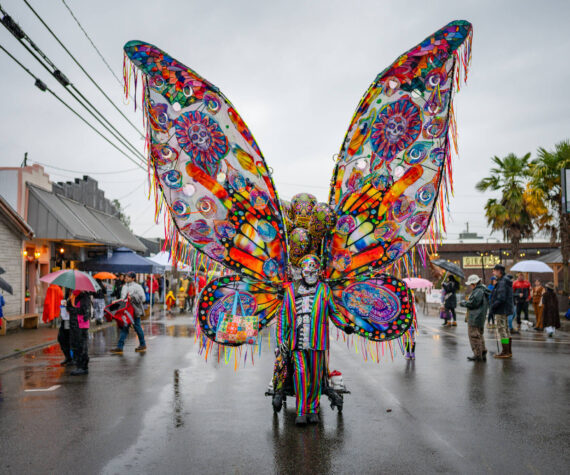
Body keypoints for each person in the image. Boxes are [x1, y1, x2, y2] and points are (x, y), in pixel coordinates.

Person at [277, 255, 352, 426]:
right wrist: (281, 339)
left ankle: (313, 409)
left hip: (318, 342)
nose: (311, 274)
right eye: (307, 271)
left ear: (319, 272)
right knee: (302, 374)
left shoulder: (324, 290)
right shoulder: (291, 290)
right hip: (297, 341)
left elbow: (333, 311)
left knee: (316, 377)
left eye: (314, 271)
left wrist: (344, 325)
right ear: (302, 272)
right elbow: (283, 315)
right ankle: (301, 411)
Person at [110, 271, 147, 354]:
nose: (126, 277)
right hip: (126, 312)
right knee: (124, 328)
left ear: (133, 278)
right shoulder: (124, 287)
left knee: (137, 327)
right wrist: (116, 301)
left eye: (128, 276)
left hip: (135, 311)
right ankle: (120, 347)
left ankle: (143, 344)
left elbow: (143, 298)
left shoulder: (138, 287)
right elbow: (123, 299)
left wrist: (133, 298)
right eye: (126, 276)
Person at [460, 275, 489, 361]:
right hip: (480, 317)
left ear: (475, 283)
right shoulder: (482, 290)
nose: (470, 286)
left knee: (474, 336)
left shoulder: (478, 291)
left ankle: (477, 354)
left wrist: (464, 303)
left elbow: (473, 303)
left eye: (471, 284)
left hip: (475, 317)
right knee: (479, 335)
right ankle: (482, 351)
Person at [490, 264, 514, 359]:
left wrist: (493, 307)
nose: (493, 272)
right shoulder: (504, 281)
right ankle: (508, 351)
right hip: (505, 309)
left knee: (502, 330)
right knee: (506, 330)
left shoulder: (502, 282)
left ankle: (505, 351)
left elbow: (501, 298)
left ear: (499, 271)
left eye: (494, 270)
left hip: (501, 309)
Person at [67, 290, 91, 375]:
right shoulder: (74, 296)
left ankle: (82, 367)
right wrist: (68, 302)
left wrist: (73, 309)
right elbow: (69, 308)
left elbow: (84, 311)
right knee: (75, 344)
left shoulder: (84, 296)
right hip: (74, 323)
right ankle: (79, 366)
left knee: (81, 345)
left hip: (80, 324)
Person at [57, 290, 72, 366]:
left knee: (70, 339)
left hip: (72, 321)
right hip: (65, 320)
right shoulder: (65, 298)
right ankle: (67, 357)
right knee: (61, 338)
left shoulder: (77, 297)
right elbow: (63, 309)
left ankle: (71, 358)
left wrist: (70, 309)